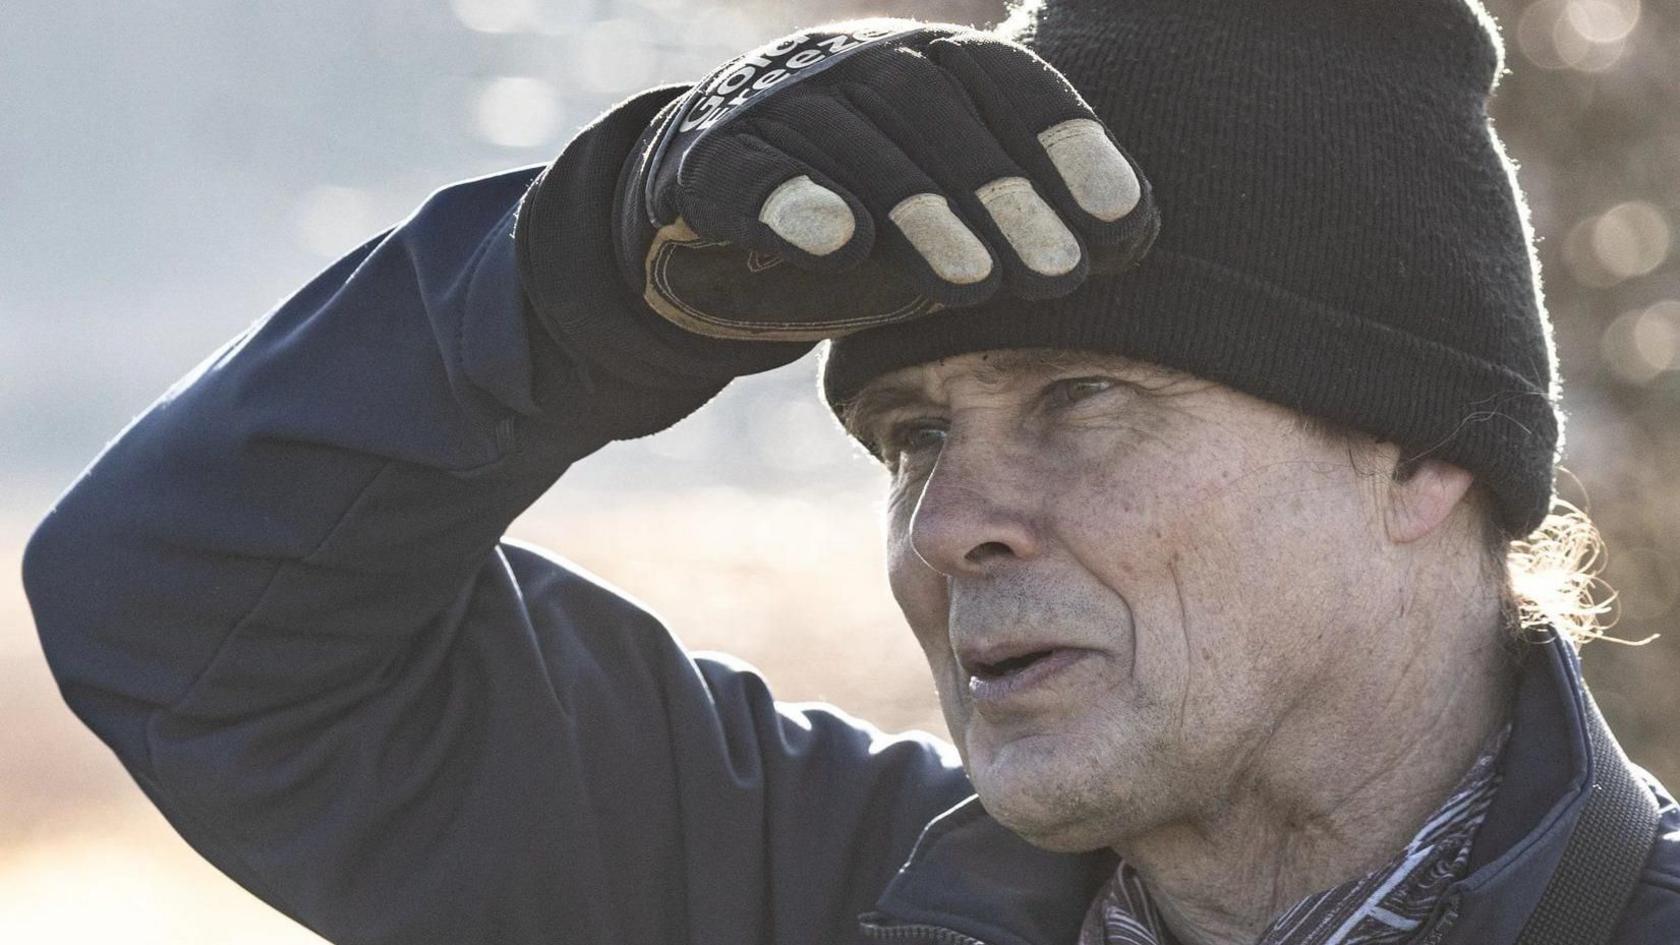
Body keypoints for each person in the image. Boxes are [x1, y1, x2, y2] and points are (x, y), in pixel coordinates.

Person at [21, 1, 1680, 943]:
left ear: (1425, 454)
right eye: (914, 435)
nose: (948, 524)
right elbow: (178, 610)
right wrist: (584, 278)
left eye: (1085, 394)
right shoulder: (798, 891)